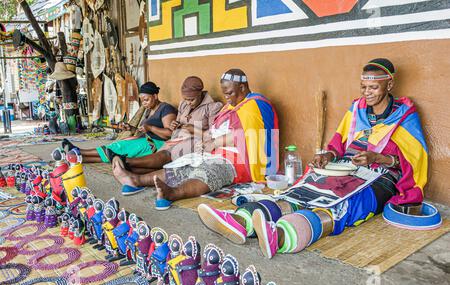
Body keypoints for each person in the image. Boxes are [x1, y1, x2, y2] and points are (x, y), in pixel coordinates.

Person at [197, 58, 429, 258]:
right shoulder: (357, 108)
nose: (366, 93)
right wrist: (327, 155)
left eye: (373, 88)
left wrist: (377, 157)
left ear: (389, 84)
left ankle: (279, 236)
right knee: (307, 188)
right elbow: (339, 143)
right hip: (348, 166)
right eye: (363, 87)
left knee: (346, 204)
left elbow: (412, 162)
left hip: (381, 175)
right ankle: (242, 222)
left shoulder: (405, 114)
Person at [112, 69, 279, 209]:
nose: (226, 97)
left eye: (229, 93)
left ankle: (172, 194)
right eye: (224, 93)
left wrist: (213, 143)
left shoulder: (255, 105)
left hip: (241, 161)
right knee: (183, 165)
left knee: (209, 172)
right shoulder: (232, 106)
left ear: (242, 87)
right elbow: (213, 130)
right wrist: (205, 140)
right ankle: (136, 180)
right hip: (217, 152)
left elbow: (247, 135)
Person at [62, 82, 177, 167]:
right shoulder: (149, 110)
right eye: (142, 101)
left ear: (155, 96)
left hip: (157, 144)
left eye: (146, 99)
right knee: (118, 150)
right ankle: (80, 159)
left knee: (118, 148)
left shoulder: (166, 108)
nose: (144, 103)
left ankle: (79, 151)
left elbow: (169, 134)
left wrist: (150, 127)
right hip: (143, 140)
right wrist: (130, 128)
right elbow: (142, 130)